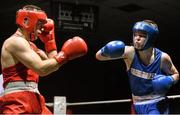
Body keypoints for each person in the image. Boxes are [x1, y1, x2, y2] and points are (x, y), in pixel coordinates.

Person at [0, 5, 88, 114]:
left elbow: (51, 65)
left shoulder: (31, 47)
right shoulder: (15, 42)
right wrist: (65, 54)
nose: (41, 29)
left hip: (34, 97)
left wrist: (49, 42)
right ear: (26, 21)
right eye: (39, 24)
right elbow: (42, 69)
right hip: (18, 100)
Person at [96, 20, 179, 114]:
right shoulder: (129, 53)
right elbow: (98, 57)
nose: (137, 38)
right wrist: (106, 50)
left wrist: (170, 80)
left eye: (142, 35)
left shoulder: (162, 58)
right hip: (137, 105)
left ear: (151, 37)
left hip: (157, 103)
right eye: (135, 34)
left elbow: (176, 74)